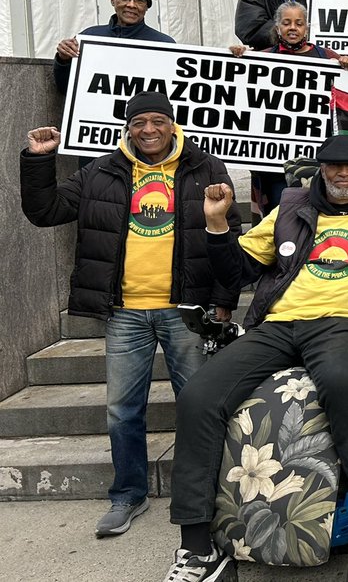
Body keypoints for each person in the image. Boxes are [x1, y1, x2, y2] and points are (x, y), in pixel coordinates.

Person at [162, 134, 348, 582]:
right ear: (320, 169)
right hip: (278, 323)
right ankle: (197, 546)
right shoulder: (290, 209)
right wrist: (217, 226)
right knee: (198, 395)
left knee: (339, 380)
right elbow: (239, 271)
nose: (342, 174)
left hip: (345, 322)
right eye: (333, 166)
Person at [20, 91, 238, 538]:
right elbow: (44, 211)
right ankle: (128, 495)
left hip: (186, 311)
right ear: (129, 128)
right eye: (140, 123)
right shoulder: (101, 170)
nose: (150, 130)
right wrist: (38, 160)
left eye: (159, 121)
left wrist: (224, 299)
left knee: (197, 405)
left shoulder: (205, 168)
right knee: (122, 411)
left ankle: (205, 492)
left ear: (174, 125)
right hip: (125, 313)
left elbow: (227, 233)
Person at [229, 1, 348, 217]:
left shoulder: (327, 57)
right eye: (286, 23)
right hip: (275, 164)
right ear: (277, 27)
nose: (293, 28)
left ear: (306, 27)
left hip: (316, 159)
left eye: (299, 23)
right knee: (279, 217)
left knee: (316, 215)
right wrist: (238, 57)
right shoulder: (263, 57)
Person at [54, 0, 174, 93]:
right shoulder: (89, 37)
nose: (131, 5)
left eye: (139, 0)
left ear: (147, 7)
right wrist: (63, 59)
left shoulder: (165, 44)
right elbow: (65, 88)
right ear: (112, 0)